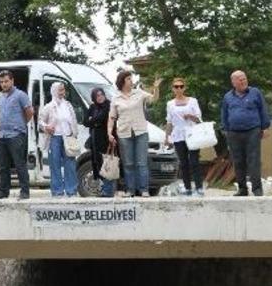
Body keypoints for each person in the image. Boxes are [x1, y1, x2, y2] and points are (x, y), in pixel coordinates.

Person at [108, 69, 160, 197]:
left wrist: (156, 88)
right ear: (122, 81)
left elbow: (153, 100)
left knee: (142, 162)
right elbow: (112, 117)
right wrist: (109, 133)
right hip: (124, 133)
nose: (131, 81)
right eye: (129, 79)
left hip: (140, 131)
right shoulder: (116, 98)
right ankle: (130, 190)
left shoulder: (139, 93)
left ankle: (144, 189)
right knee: (128, 163)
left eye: (131, 78)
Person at [220, 70, 270, 196]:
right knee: (238, 161)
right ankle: (242, 189)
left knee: (254, 160)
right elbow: (224, 114)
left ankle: (257, 189)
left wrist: (265, 127)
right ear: (234, 82)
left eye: (245, 79)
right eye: (240, 79)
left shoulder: (255, 93)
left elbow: (263, 109)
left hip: (253, 130)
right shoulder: (227, 97)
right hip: (234, 132)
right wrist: (226, 129)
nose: (244, 81)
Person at [0, 70, 34, 200]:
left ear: (12, 81)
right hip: (2, 135)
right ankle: (3, 192)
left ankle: (24, 192)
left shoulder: (20, 95)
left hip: (16, 134)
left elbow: (29, 112)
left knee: (19, 164)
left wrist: (21, 125)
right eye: (1, 82)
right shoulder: (0, 97)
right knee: (3, 166)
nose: (4, 84)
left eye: (6, 81)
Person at [39, 83, 79, 197]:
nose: (62, 92)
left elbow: (73, 120)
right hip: (54, 138)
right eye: (60, 90)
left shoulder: (68, 105)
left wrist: (74, 134)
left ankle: (71, 191)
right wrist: (47, 127)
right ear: (54, 91)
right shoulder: (49, 106)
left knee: (70, 164)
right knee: (55, 165)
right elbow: (40, 122)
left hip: (68, 137)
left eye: (63, 90)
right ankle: (57, 192)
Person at [165, 78, 204, 196]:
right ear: (173, 89)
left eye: (181, 86)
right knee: (183, 162)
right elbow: (169, 122)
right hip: (178, 135)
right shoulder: (170, 104)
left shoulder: (192, 101)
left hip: (191, 134)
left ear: (185, 88)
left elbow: (199, 119)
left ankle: (199, 188)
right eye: (176, 87)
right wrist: (167, 137)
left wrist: (191, 116)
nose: (179, 89)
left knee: (194, 161)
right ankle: (188, 188)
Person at [83, 87, 115, 197]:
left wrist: (93, 120)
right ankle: (104, 189)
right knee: (98, 165)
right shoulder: (92, 107)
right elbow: (85, 121)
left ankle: (108, 190)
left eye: (102, 94)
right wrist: (94, 121)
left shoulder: (109, 105)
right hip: (95, 140)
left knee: (107, 164)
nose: (100, 97)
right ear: (94, 97)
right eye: (97, 95)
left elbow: (101, 117)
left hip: (107, 140)